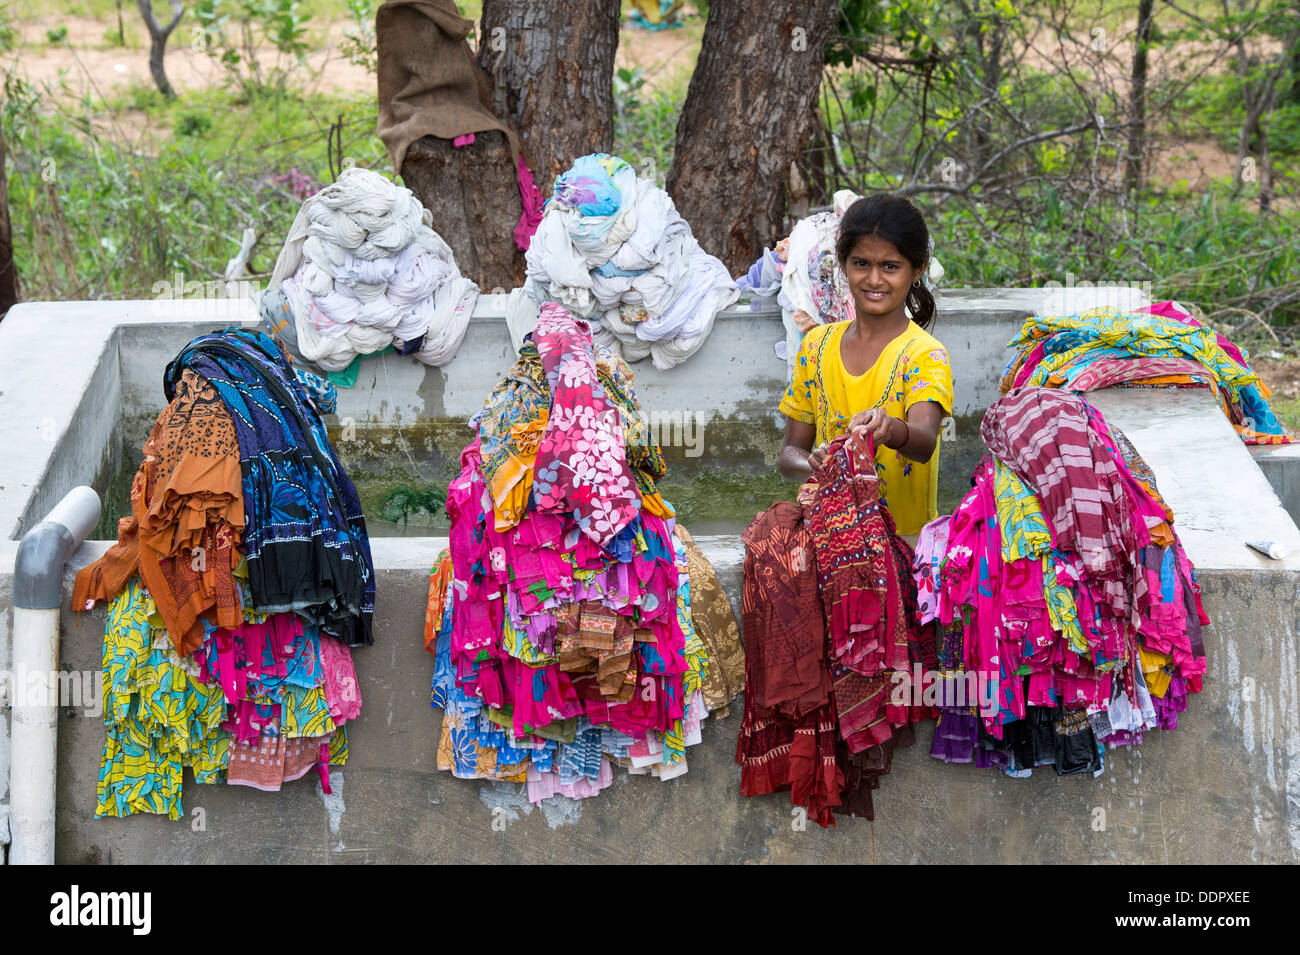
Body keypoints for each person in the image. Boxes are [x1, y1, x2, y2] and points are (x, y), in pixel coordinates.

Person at [777, 194, 953, 537]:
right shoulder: (816, 346)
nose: (874, 279)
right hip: (831, 538)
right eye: (861, 264)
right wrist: (813, 464)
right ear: (843, 264)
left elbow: (923, 443)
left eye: (890, 266)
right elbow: (788, 455)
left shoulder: (924, 354)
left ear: (916, 270)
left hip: (903, 543)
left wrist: (890, 429)